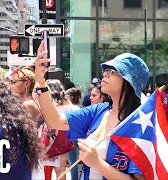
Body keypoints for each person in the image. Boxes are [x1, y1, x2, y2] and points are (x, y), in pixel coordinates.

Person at [34, 51, 149, 179]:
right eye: (106, 70)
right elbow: (54, 121)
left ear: (128, 81)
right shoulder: (99, 111)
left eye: (112, 71)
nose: (105, 74)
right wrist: (41, 82)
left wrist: (98, 164)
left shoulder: (140, 123)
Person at [44, 79, 80, 179]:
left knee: (45, 169)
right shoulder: (68, 104)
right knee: (61, 170)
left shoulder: (46, 102)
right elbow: (76, 113)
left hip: (48, 137)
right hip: (63, 138)